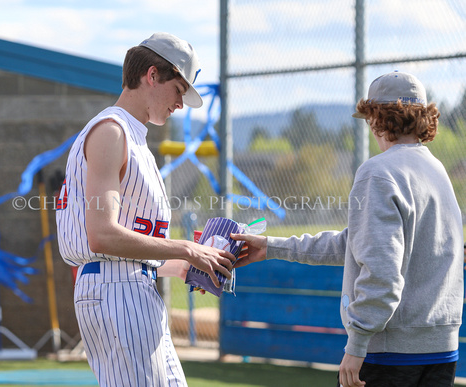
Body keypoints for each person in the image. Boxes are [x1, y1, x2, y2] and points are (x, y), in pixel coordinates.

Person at [231, 71, 463, 387]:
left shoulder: (378, 173)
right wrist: (271, 246)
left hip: (389, 353)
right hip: (442, 350)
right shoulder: (437, 171)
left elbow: (382, 272)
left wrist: (357, 344)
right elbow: (356, 243)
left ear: (378, 117)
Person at [55, 32, 235, 386]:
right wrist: (186, 247)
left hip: (128, 288)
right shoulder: (112, 131)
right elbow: (102, 235)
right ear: (151, 75)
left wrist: (185, 266)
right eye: (179, 90)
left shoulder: (133, 136)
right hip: (114, 292)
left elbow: (129, 251)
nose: (180, 104)